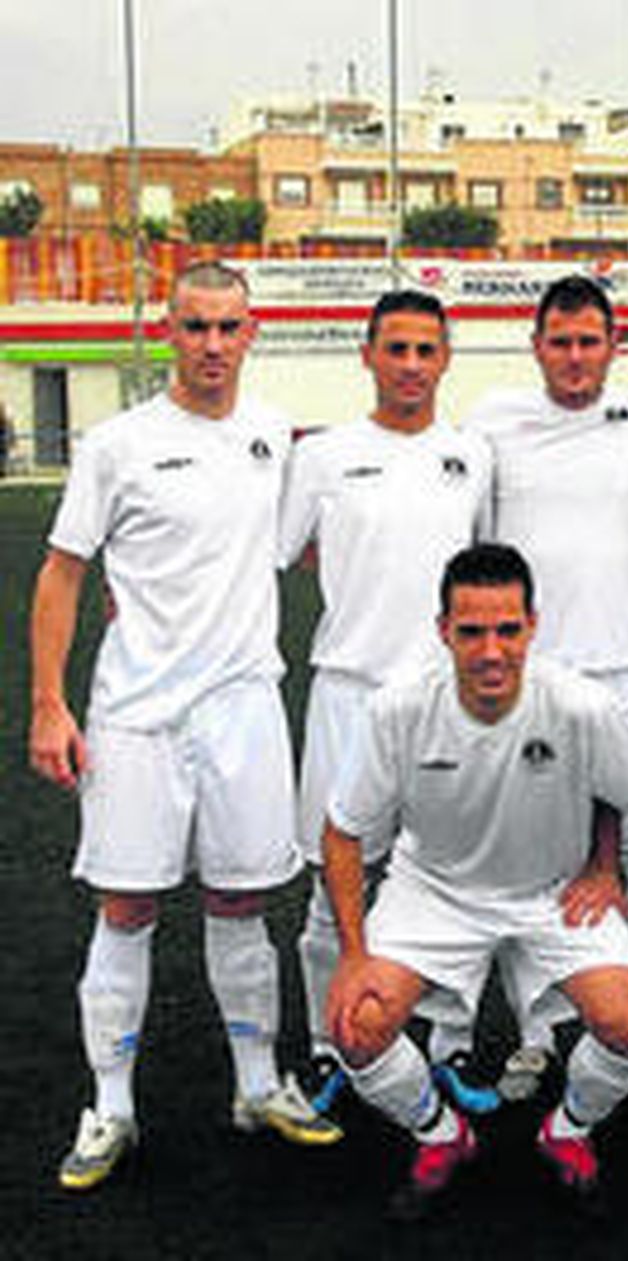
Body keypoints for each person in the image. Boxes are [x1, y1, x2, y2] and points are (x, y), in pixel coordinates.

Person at [29, 261, 341, 1192]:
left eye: (229, 327)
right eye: (196, 326)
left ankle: (257, 1085)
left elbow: (318, 540)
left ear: (253, 334)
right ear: (169, 330)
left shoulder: (272, 438)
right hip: (137, 716)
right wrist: (50, 702)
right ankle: (112, 1106)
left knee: (244, 901)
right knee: (127, 906)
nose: (212, 344)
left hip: (247, 708)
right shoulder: (117, 444)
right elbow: (61, 575)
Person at [321, 544, 628, 1218]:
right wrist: (354, 953)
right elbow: (341, 831)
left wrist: (607, 868)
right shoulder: (397, 708)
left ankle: (567, 1130)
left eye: (507, 629)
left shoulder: (578, 703)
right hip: (435, 890)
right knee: (356, 1027)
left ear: (533, 626)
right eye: (471, 630)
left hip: (550, 891)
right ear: (442, 630)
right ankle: (440, 1132)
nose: (490, 650)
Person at [278, 289, 492, 1116]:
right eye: (394, 348)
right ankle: (334, 1045)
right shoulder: (324, 454)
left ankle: (449, 1041)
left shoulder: (472, 454)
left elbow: (483, 571)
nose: (409, 365)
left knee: (452, 877)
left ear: (445, 358)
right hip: (347, 695)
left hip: (448, 702)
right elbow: (282, 551)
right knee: (336, 881)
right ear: (366, 354)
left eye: (424, 350)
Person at [466, 274, 628, 1101]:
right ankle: (539, 1031)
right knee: (536, 860)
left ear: (613, 346)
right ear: (537, 345)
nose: (576, 356)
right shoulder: (492, 424)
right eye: (561, 341)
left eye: (591, 341)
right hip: (533, 675)